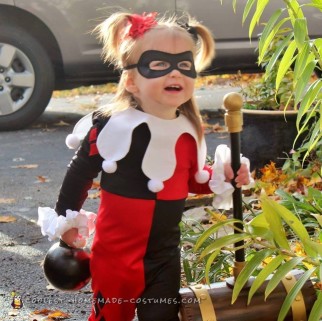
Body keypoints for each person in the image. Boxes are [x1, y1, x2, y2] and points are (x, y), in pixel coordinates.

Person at [38, 11, 251, 321]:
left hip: (164, 256)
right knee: (112, 315)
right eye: (159, 64)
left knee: (161, 316)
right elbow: (79, 172)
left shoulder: (189, 130)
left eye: (184, 65)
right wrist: (65, 222)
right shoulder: (111, 127)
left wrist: (227, 176)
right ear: (131, 80)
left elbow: (194, 180)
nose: (175, 73)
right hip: (115, 255)